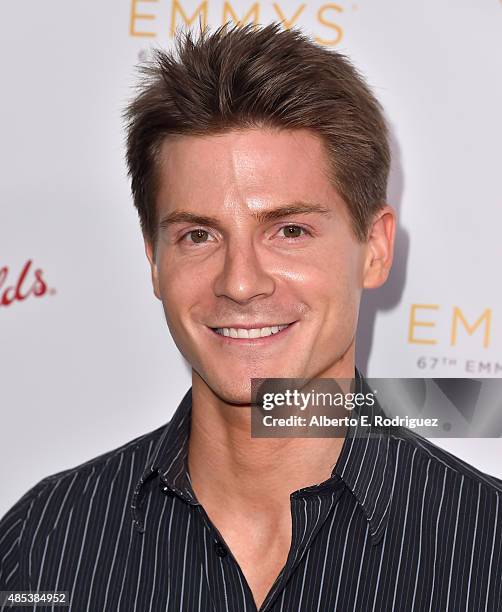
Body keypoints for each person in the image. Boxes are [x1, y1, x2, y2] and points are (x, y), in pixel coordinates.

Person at [1, 23, 501, 612]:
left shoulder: (487, 549)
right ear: (153, 259)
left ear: (376, 248)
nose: (240, 282)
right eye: (198, 235)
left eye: (290, 231)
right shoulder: (44, 542)